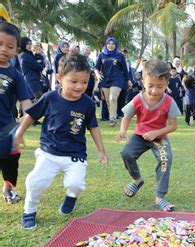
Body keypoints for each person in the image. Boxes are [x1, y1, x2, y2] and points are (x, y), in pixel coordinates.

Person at [15, 53, 108, 229]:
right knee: (35, 182)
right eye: (74, 81)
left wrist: (101, 151)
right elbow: (31, 115)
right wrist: (20, 133)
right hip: (48, 151)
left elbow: (93, 127)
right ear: (60, 78)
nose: (80, 86)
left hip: (75, 153)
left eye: (85, 82)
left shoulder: (87, 104)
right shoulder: (49, 98)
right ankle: (29, 210)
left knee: (77, 184)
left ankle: (71, 196)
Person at [116, 60, 180, 212]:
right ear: (143, 82)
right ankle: (137, 180)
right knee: (126, 154)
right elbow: (127, 116)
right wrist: (123, 131)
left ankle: (160, 197)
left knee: (166, 159)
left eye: (160, 86)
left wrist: (155, 133)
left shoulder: (169, 102)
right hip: (140, 135)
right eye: (150, 86)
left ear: (166, 84)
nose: (154, 91)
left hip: (159, 136)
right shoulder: (138, 99)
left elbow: (173, 126)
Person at [0, 23, 34, 204]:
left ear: (16, 50)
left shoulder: (16, 75)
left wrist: (25, 122)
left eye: (9, 46)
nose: (3, 49)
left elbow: (26, 103)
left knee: (10, 160)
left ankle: (8, 189)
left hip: (6, 127)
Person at [95, 37, 132, 127]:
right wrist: (98, 75)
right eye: (109, 44)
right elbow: (96, 67)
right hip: (105, 80)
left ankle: (112, 119)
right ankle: (112, 116)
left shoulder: (120, 55)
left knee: (113, 98)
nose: (111, 46)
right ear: (106, 45)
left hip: (117, 79)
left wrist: (128, 80)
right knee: (108, 101)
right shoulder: (101, 55)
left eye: (113, 44)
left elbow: (125, 70)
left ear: (115, 45)